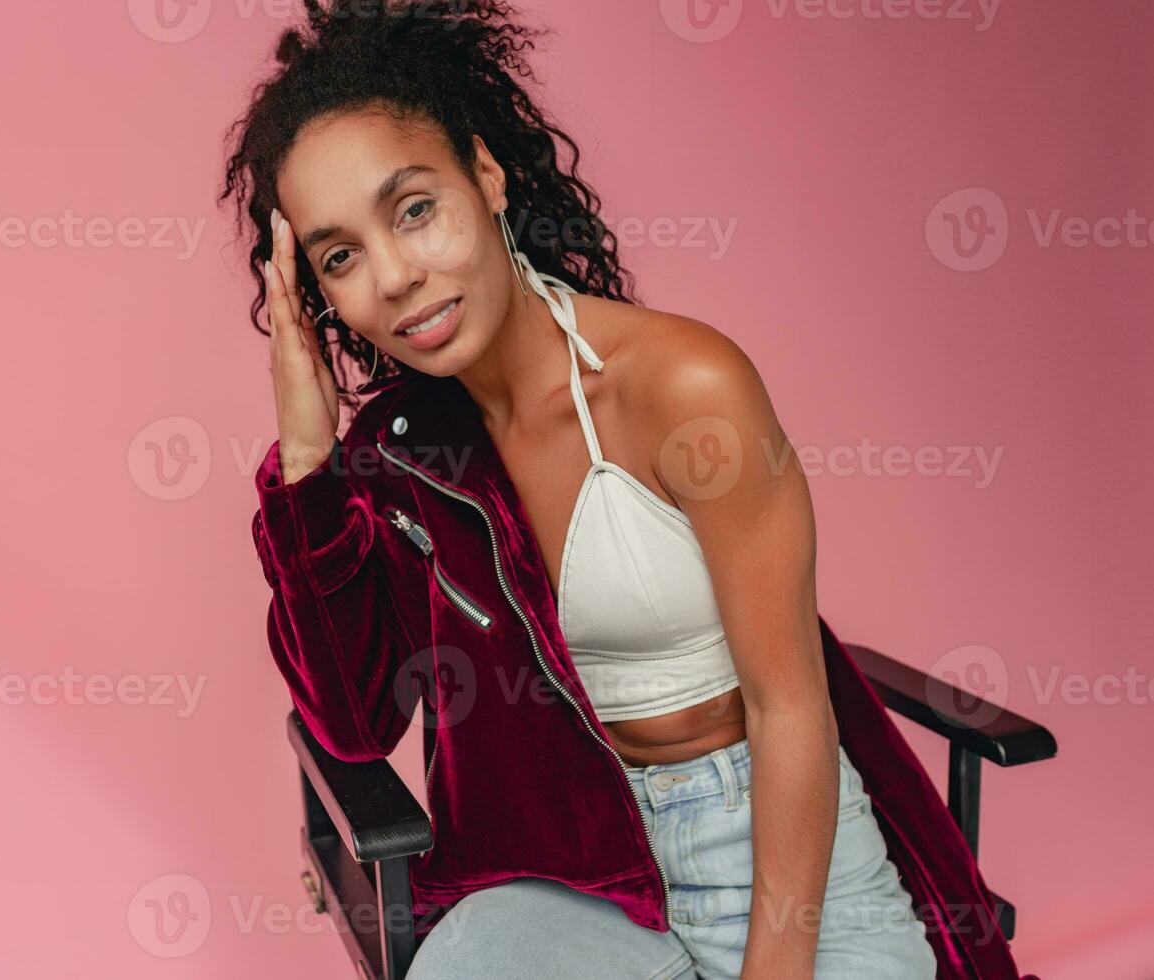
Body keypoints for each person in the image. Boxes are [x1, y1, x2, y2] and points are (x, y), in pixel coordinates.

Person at [224, 3, 941, 977]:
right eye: (340, 255)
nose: (393, 276)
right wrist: (306, 460)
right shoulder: (403, 455)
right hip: (579, 880)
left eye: (414, 208)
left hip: (779, 866)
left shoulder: (681, 387)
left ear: (483, 175)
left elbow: (789, 709)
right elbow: (351, 721)